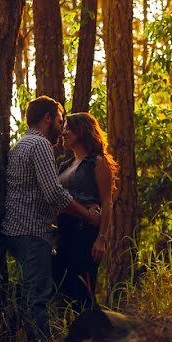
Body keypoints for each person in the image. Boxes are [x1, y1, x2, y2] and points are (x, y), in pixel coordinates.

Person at [0, 96, 100, 342]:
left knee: (29, 292)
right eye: (58, 119)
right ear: (47, 118)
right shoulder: (40, 145)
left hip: (17, 229)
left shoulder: (20, 144)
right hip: (31, 231)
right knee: (37, 296)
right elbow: (54, 193)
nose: (61, 125)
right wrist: (88, 215)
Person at [54, 112, 117, 313]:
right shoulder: (65, 166)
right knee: (64, 287)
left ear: (82, 131)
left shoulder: (97, 162)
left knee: (83, 290)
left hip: (85, 232)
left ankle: (98, 339)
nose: (63, 132)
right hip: (63, 232)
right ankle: (83, 337)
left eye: (68, 129)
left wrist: (102, 238)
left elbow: (107, 201)